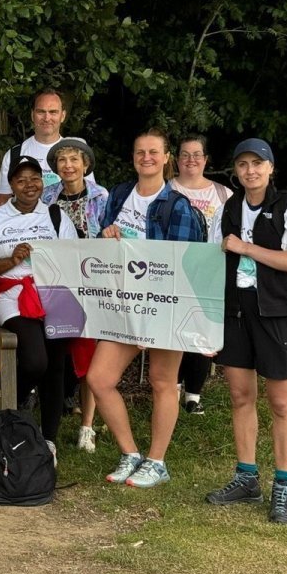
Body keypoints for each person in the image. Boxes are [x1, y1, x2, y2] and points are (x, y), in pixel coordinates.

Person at [205, 138, 287, 525]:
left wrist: (246, 248)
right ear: (235, 170)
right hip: (237, 312)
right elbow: (212, 261)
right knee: (239, 395)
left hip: (277, 312)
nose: (250, 171)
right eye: (243, 164)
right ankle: (246, 477)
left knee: (282, 402)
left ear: (270, 168)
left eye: (257, 164)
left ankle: (283, 486)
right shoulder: (229, 209)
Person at [87, 128, 204, 488]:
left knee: (162, 381)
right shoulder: (120, 194)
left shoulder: (178, 206)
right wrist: (106, 237)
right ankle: (130, 453)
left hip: (164, 307)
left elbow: (181, 267)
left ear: (167, 157)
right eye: (140, 152)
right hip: (121, 304)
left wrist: (148, 322)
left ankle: (157, 461)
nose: (146, 158)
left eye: (154, 152)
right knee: (99, 379)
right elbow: (103, 251)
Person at [0, 156, 77, 464]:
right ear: (12, 185)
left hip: (54, 292)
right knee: (34, 361)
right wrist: (11, 260)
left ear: (42, 183)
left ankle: (48, 438)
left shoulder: (56, 216)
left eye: (34, 178)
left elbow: (72, 257)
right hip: (12, 293)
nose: (29, 185)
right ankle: (8, 409)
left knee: (56, 363)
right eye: (21, 180)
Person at [43, 137, 108, 452]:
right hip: (57, 282)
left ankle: (87, 426)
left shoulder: (101, 197)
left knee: (90, 352)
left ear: (85, 165)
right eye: (62, 160)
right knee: (58, 348)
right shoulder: (47, 198)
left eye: (74, 160)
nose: (68, 166)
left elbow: (110, 236)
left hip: (93, 280)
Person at [171, 134, 233, 416]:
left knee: (201, 331)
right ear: (176, 159)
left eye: (197, 154)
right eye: (185, 154)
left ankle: (193, 394)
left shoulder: (223, 195)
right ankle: (170, 387)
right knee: (172, 330)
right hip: (172, 270)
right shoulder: (166, 189)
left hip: (209, 273)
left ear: (206, 159)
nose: (191, 160)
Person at [0, 88, 95, 204]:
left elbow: (91, 197)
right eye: (41, 112)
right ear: (32, 115)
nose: (47, 118)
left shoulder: (78, 153)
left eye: (53, 112)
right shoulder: (14, 154)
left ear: (63, 116)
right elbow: (3, 201)